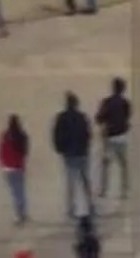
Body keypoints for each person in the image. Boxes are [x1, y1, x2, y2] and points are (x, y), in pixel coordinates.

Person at [55, 89, 97, 219]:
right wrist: (86, 147)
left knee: (71, 182)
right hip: (82, 153)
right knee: (85, 181)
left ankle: (70, 209)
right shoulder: (82, 117)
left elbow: (57, 136)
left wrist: (61, 150)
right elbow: (88, 134)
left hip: (69, 154)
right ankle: (90, 206)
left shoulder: (61, 118)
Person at [100, 79, 133, 203]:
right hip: (122, 137)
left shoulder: (106, 102)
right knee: (123, 164)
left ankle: (104, 189)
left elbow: (100, 118)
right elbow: (128, 116)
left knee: (106, 165)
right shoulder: (126, 103)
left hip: (109, 138)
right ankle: (124, 190)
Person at [1, 111, 32, 224]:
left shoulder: (5, 136)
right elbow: (25, 151)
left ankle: (18, 214)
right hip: (19, 166)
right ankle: (23, 213)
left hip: (9, 167)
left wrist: (3, 163)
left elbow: (1, 151)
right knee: (21, 191)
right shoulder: (22, 135)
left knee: (14, 192)